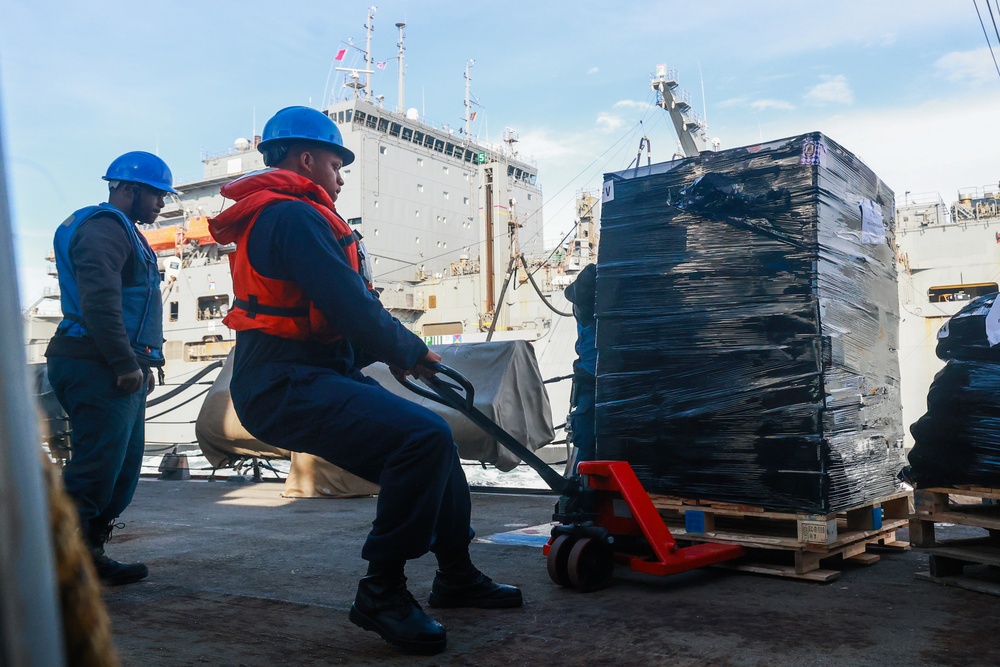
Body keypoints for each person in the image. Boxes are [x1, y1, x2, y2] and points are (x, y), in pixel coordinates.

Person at [208, 106, 521, 655]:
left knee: (436, 443)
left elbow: (337, 312)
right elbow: (348, 304)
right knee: (419, 438)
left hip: (310, 373)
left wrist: (393, 354)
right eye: (336, 162)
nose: (341, 174)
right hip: (282, 381)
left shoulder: (294, 215)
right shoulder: (293, 217)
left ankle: (456, 574)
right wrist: (410, 350)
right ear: (307, 159)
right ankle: (382, 591)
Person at [46, 151, 175, 585]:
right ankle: (53, 567)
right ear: (128, 189)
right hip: (93, 362)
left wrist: (140, 363)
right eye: (155, 194)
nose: (161, 203)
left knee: (120, 469)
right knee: (96, 470)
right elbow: (100, 302)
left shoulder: (124, 231)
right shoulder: (105, 229)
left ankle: (88, 554)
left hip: (112, 363)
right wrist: (123, 362)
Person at [564, 263, 597, 471]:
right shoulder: (591, 313)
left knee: (586, 449)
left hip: (591, 385)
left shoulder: (585, 311)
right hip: (592, 384)